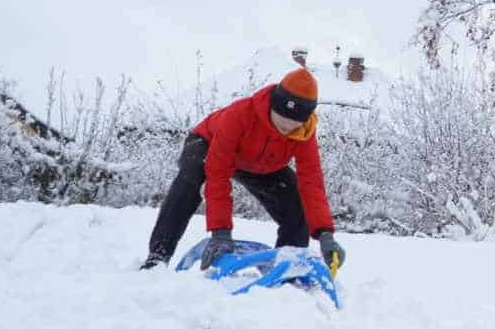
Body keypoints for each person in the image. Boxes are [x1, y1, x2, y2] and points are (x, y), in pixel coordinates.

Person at [141, 68, 346, 272]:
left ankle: (286, 270)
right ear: (272, 105)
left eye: (293, 124)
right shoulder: (239, 114)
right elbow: (218, 173)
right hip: (209, 144)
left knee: (298, 206)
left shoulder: (304, 133)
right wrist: (220, 231)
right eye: (281, 118)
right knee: (189, 179)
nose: (285, 127)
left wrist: (325, 234)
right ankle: (157, 257)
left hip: (262, 164)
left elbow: (312, 181)